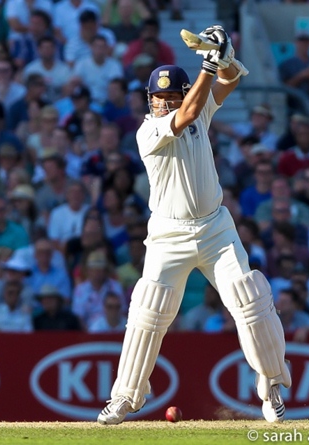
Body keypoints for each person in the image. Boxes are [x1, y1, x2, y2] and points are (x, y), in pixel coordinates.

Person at [97, 25, 291, 426]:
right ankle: (125, 398)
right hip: (168, 235)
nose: (164, 106)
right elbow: (186, 115)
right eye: (158, 99)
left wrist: (226, 56)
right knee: (148, 311)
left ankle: (271, 387)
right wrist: (208, 61)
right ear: (148, 102)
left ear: (185, 94)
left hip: (216, 230)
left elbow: (230, 80)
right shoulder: (149, 130)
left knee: (250, 300)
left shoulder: (199, 106)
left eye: (171, 98)